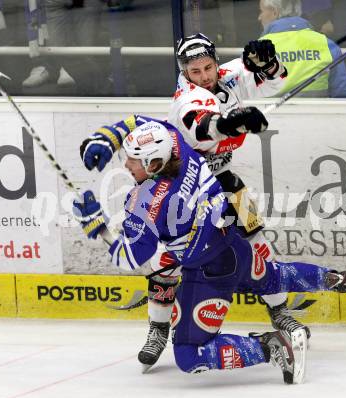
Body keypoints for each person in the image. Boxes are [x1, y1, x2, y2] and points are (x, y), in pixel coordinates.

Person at [73, 119, 346, 383]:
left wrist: (96, 226)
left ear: (154, 164)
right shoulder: (181, 147)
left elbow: (129, 259)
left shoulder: (143, 202)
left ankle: (273, 346)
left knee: (188, 356)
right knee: (276, 276)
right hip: (233, 248)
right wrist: (109, 137)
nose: (126, 164)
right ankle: (340, 279)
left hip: (206, 274)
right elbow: (150, 124)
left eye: (133, 160)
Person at [80, 32, 315, 371]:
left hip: (225, 179)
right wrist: (230, 121)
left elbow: (274, 83)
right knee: (167, 263)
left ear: (216, 62)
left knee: (257, 244)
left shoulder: (229, 75)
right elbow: (201, 127)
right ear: (184, 73)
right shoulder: (185, 98)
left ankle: (279, 312)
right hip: (185, 188)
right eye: (195, 72)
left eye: (208, 68)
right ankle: (159, 328)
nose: (204, 77)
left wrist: (269, 65)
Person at [258, 0, 346, 97]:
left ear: (275, 12)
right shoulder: (327, 44)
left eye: (261, 11)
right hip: (318, 111)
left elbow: (247, 94)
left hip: (272, 112)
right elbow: (343, 94)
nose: (259, 17)